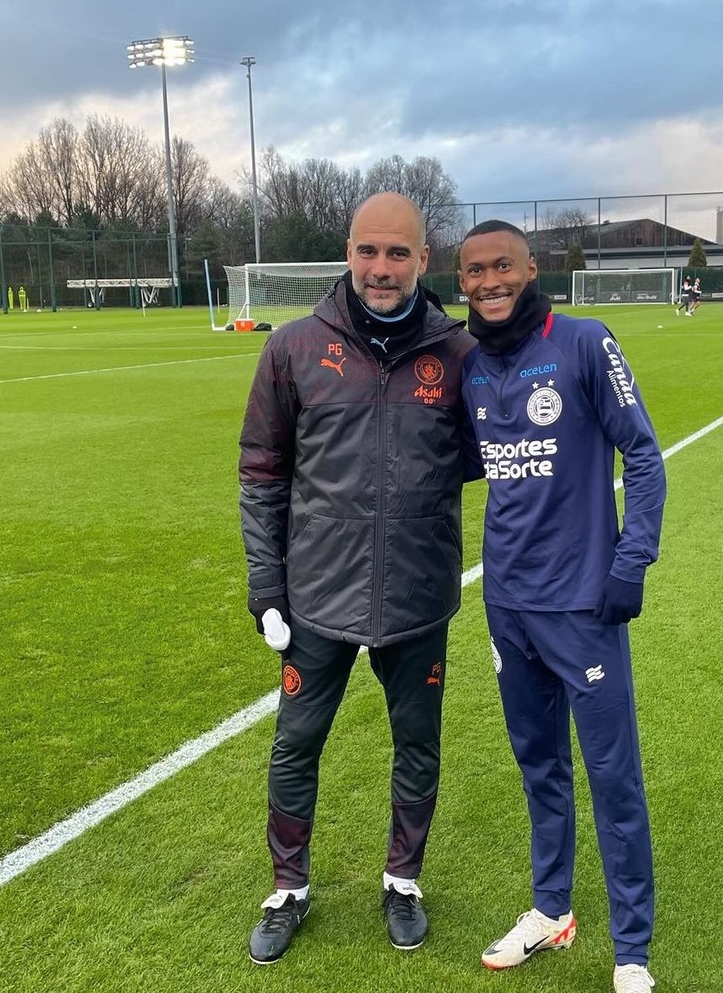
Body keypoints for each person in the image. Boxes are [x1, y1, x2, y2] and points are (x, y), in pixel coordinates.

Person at [238, 193, 475, 964]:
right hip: (316, 596)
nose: (381, 268)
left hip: (416, 596)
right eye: (369, 251)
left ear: (421, 259)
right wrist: (267, 587)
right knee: (296, 743)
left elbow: (492, 462)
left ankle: (402, 879)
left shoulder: (458, 355)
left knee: (418, 743)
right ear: (348, 252)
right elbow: (262, 472)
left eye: (397, 253)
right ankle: (288, 888)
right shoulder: (295, 347)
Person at [458, 221, 666, 993]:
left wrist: (631, 558)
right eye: (474, 270)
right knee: (539, 763)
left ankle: (633, 949)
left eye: (501, 265)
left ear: (531, 267)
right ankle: (551, 909)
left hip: (584, 604)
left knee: (613, 775)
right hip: (507, 604)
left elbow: (642, 453)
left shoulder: (583, 342)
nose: (488, 281)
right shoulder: (471, 366)